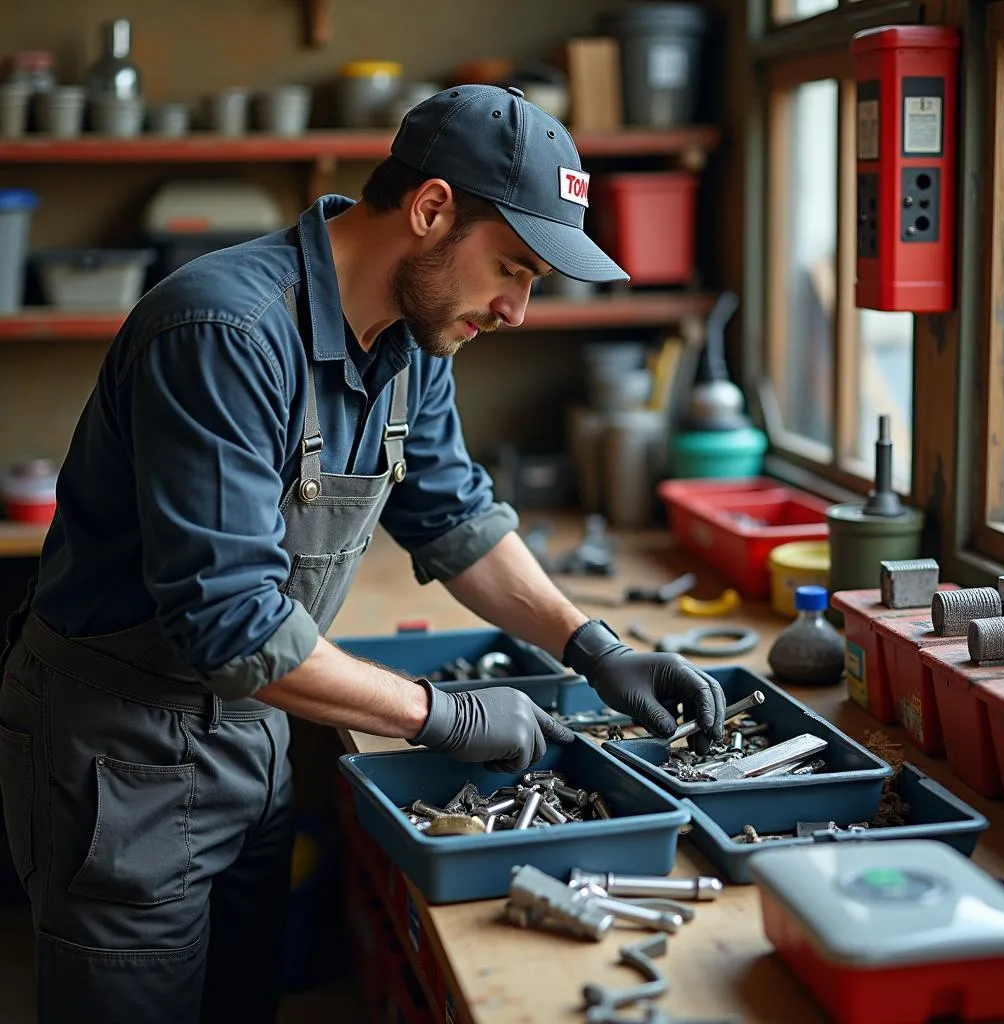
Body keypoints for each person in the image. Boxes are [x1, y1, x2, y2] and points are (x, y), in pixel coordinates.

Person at [0, 84, 726, 1023]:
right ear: (430, 210)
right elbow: (231, 626)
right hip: (118, 750)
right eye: (511, 266)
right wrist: (447, 715)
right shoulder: (224, 333)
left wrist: (592, 646)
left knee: (241, 1002)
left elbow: (455, 520)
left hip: (252, 732)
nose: (516, 309)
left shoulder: (414, 342)